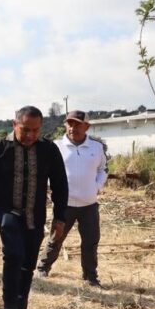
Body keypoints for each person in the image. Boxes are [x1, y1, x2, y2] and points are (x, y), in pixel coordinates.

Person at [0, 106, 68, 309]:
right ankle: (9, 306)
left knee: (29, 261)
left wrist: (60, 218)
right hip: (7, 211)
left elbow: (60, 185)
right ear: (14, 125)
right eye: (25, 130)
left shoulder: (49, 149)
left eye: (35, 130)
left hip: (35, 214)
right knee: (14, 254)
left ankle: (20, 308)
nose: (30, 135)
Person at [37, 111, 108, 287]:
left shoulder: (96, 148)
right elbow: (46, 171)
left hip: (89, 204)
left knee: (90, 241)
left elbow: (103, 170)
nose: (73, 128)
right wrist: (50, 188)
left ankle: (90, 276)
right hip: (64, 204)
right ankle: (43, 268)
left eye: (77, 124)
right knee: (56, 238)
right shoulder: (57, 146)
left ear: (87, 127)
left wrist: (97, 186)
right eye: (69, 124)